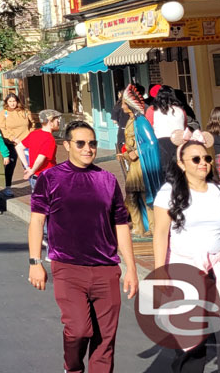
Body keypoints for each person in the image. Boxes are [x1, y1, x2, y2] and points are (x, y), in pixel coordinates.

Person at [28, 120, 137, 373]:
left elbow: (121, 224)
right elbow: (36, 222)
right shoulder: (50, 178)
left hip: (106, 268)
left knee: (105, 340)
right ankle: (72, 368)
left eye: (92, 144)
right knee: (79, 330)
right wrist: (35, 262)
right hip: (68, 268)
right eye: (81, 143)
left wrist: (131, 268)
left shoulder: (107, 179)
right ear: (66, 145)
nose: (88, 149)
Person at [152, 129, 220, 371]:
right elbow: (159, 234)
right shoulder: (169, 193)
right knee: (192, 342)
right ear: (181, 164)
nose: (203, 163)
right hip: (185, 270)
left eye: (206, 158)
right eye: (195, 159)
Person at [119, 85, 160, 237]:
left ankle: (152, 227)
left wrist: (137, 152)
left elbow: (151, 142)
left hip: (140, 164)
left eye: (123, 103)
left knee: (144, 194)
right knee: (131, 195)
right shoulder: (132, 120)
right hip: (133, 164)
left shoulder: (141, 121)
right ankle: (138, 227)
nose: (122, 106)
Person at [0, 93, 34, 196]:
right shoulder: (4, 113)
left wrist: (30, 136)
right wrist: (13, 138)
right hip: (12, 143)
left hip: (26, 142)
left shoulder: (25, 112)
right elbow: (1, 128)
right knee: (10, 165)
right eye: (10, 101)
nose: (12, 103)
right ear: (6, 102)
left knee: (28, 165)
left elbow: (32, 124)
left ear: (17, 101)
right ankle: (8, 187)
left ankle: (34, 186)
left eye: (14, 101)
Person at [20, 110, 61, 190]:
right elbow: (41, 158)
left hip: (34, 177)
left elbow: (19, 147)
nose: (58, 121)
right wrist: (32, 170)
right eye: (57, 119)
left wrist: (27, 167)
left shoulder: (34, 134)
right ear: (50, 122)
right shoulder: (49, 139)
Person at [152, 85, 189, 172]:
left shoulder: (153, 110)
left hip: (161, 144)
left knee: (164, 173)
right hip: (179, 143)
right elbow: (185, 126)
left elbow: (149, 127)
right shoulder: (181, 111)